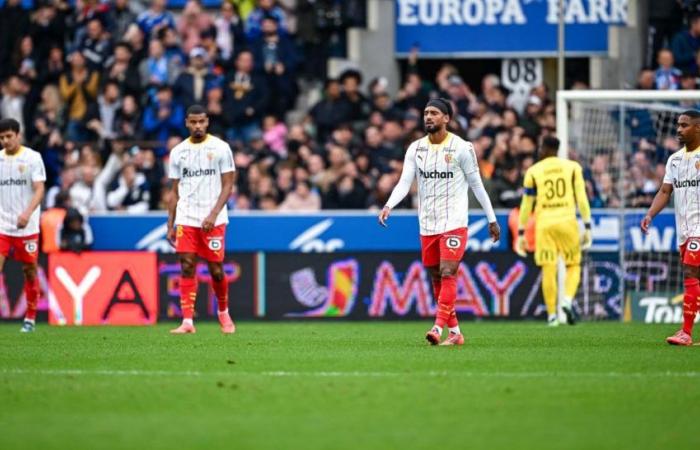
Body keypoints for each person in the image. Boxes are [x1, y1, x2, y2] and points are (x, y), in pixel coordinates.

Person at [378, 99, 500, 346]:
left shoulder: (462, 148)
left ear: (447, 118)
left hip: (454, 221)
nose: (428, 117)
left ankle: (437, 327)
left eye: (434, 113)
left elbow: (476, 185)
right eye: (425, 113)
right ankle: (455, 333)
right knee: (436, 275)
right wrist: (389, 204)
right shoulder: (415, 148)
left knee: (448, 271)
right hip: (427, 224)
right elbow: (404, 182)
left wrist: (492, 219)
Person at [166, 105, 236, 335]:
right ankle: (187, 322)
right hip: (187, 217)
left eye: (202, 122)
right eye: (193, 122)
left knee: (216, 270)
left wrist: (214, 213)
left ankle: (223, 312)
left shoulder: (221, 148)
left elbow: (228, 185)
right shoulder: (177, 152)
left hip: (213, 218)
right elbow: (174, 192)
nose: (198, 126)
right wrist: (170, 224)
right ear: (186, 122)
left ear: (207, 122)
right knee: (186, 265)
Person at [515, 136, 592, 326]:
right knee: (573, 265)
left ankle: (551, 315)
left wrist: (522, 231)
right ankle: (566, 300)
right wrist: (588, 225)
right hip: (567, 222)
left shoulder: (533, 171)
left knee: (548, 268)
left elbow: (527, 204)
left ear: (545, 149)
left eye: (541, 147)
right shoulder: (573, 168)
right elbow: (581, 199)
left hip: (544, 224)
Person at [641, 110, 700, 346]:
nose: (678, 129)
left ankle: (686, 332)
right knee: (695, 275)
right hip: (683, 230)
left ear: (697, 128)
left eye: (684, 125)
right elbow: (665, 192)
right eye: (678, 125)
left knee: (690, 272)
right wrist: (650, 214)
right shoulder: (674, 160)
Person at [0, 118, 46, 332]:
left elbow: (39, 189)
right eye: (1, 138)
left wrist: (27, 213)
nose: (5, 141)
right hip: (2, 226)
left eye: (9, 136)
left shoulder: (32, 158)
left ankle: (30, 317)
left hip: (27, 227)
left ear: (18, 135)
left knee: (29, 270)